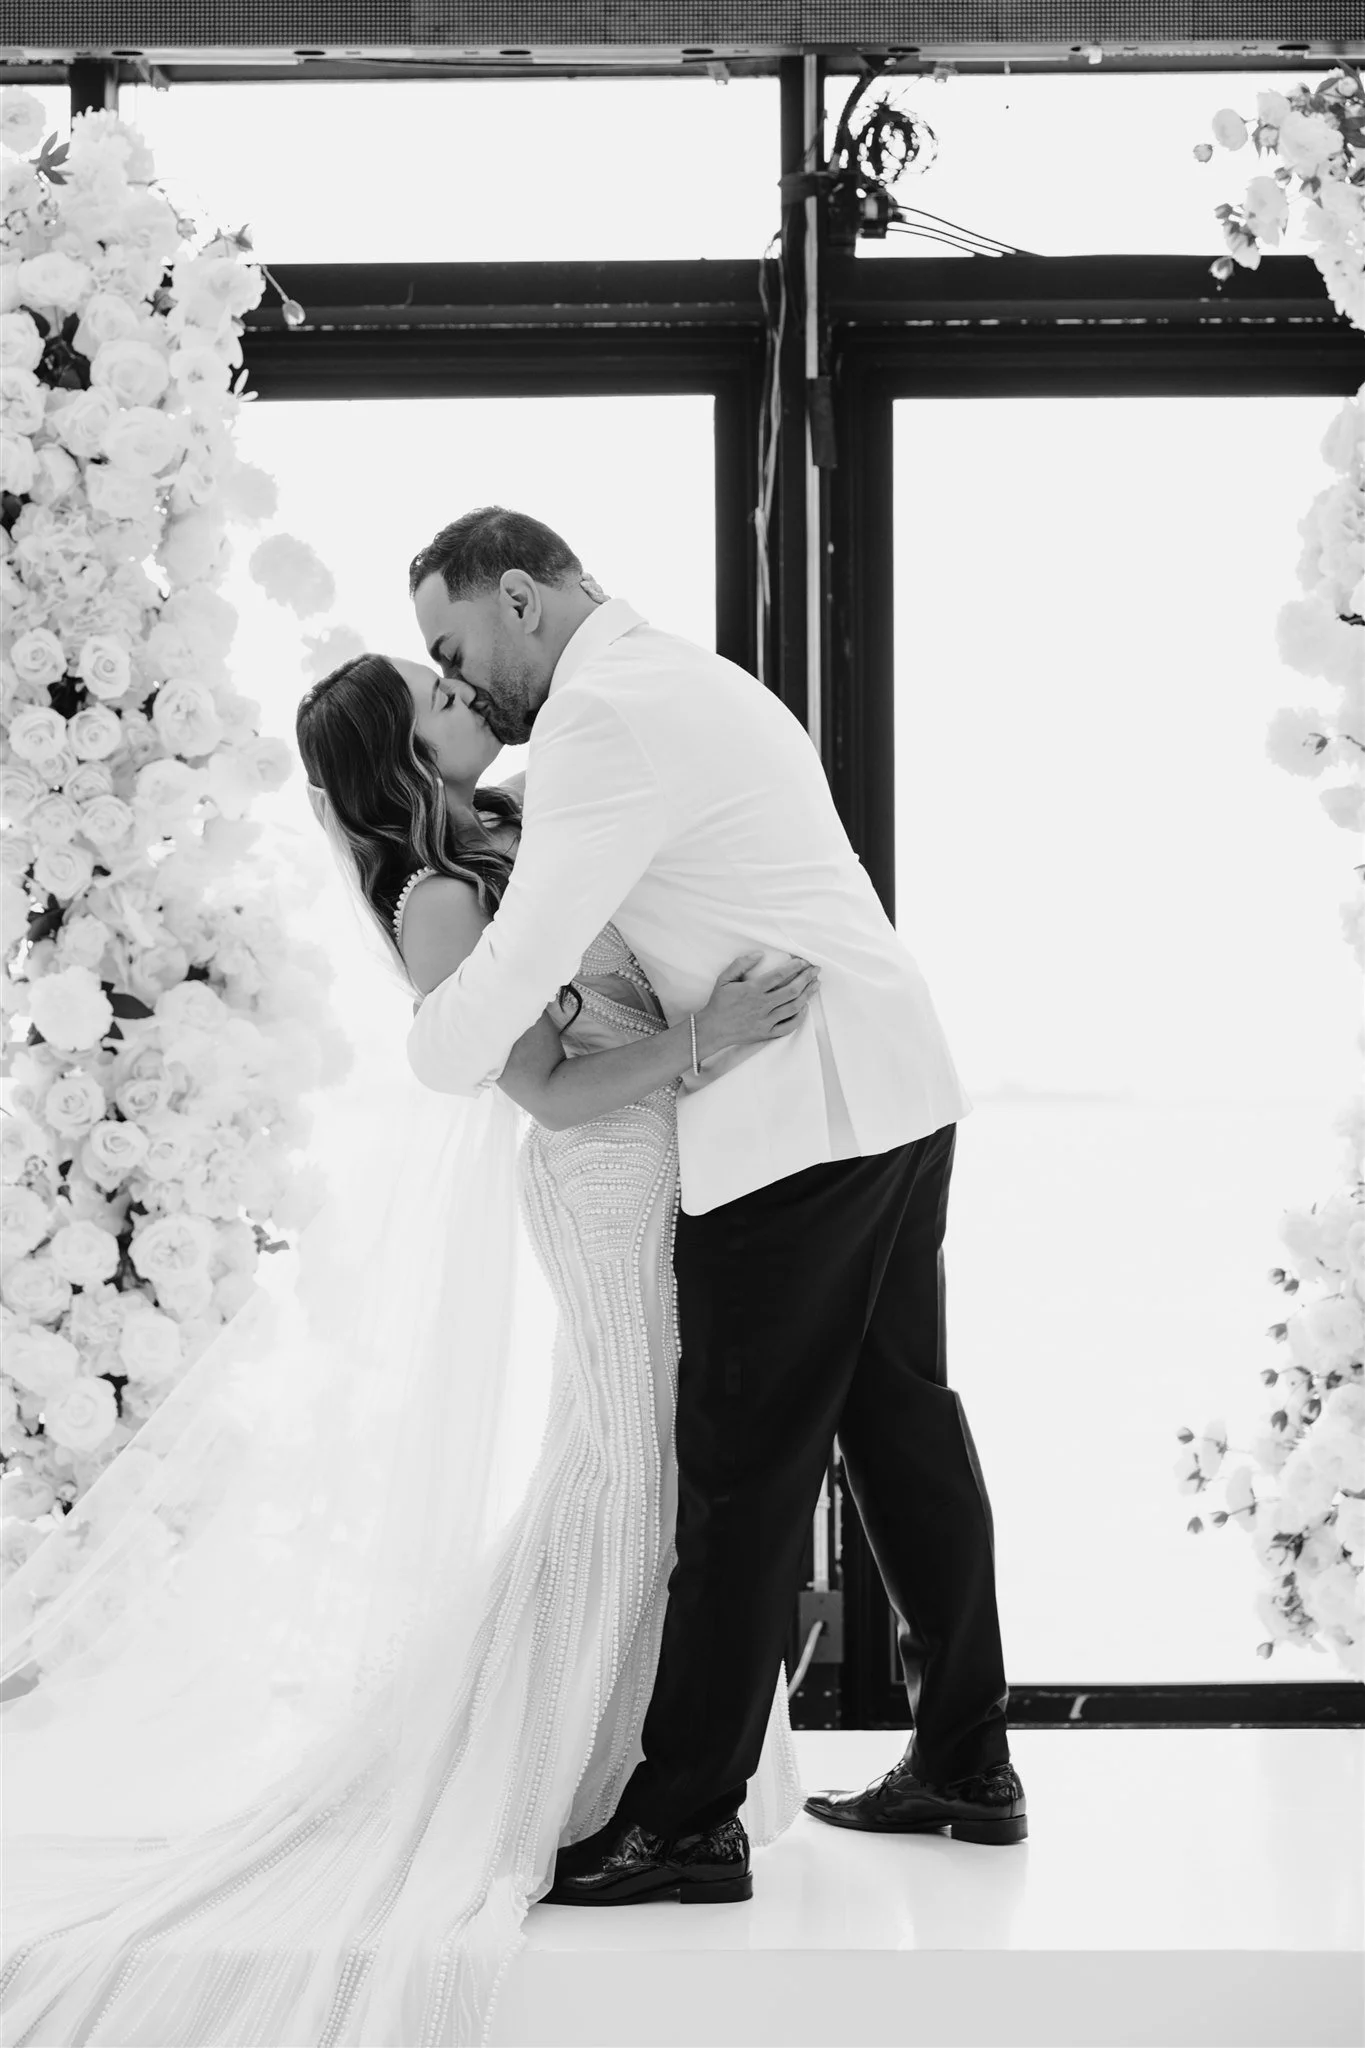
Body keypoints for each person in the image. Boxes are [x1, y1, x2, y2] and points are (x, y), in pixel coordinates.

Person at [0, 644, 816, 2045]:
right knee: (631, 1483)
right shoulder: (440, 900)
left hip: (672, 1175)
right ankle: (584, 1783)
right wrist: (704, 1042)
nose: (467, 703)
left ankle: (666, 1766)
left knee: (641, 1475)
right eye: (435, 699)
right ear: (401, 755)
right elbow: (549, 1096)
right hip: (604, 1182)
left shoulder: (522, 830)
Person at [406, 507, 1027, 1910]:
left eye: (454, 646)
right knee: (901, 1427)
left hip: (801, 1120)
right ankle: (968, 1761)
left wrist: (429, 1048)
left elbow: (522, 966)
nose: (459, 681)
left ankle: (686, 1819)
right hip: (889, 1081)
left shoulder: (596, 724)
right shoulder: (683, 674)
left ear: (520, 597)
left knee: (742, 1476)